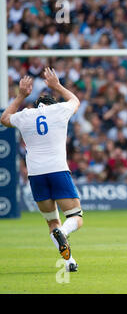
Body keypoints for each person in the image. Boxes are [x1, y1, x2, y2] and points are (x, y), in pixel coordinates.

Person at [0, 68, 83, 272]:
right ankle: (63, 232)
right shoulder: (59, 110)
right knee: (75, 218)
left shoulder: (26, 115)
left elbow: (4, 118)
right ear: (52, 105)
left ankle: (69, 262)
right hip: (57, 170)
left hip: (36, 174)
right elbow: (75, 101)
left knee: (51, 222)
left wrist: (20, 95)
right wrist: (56, 85)